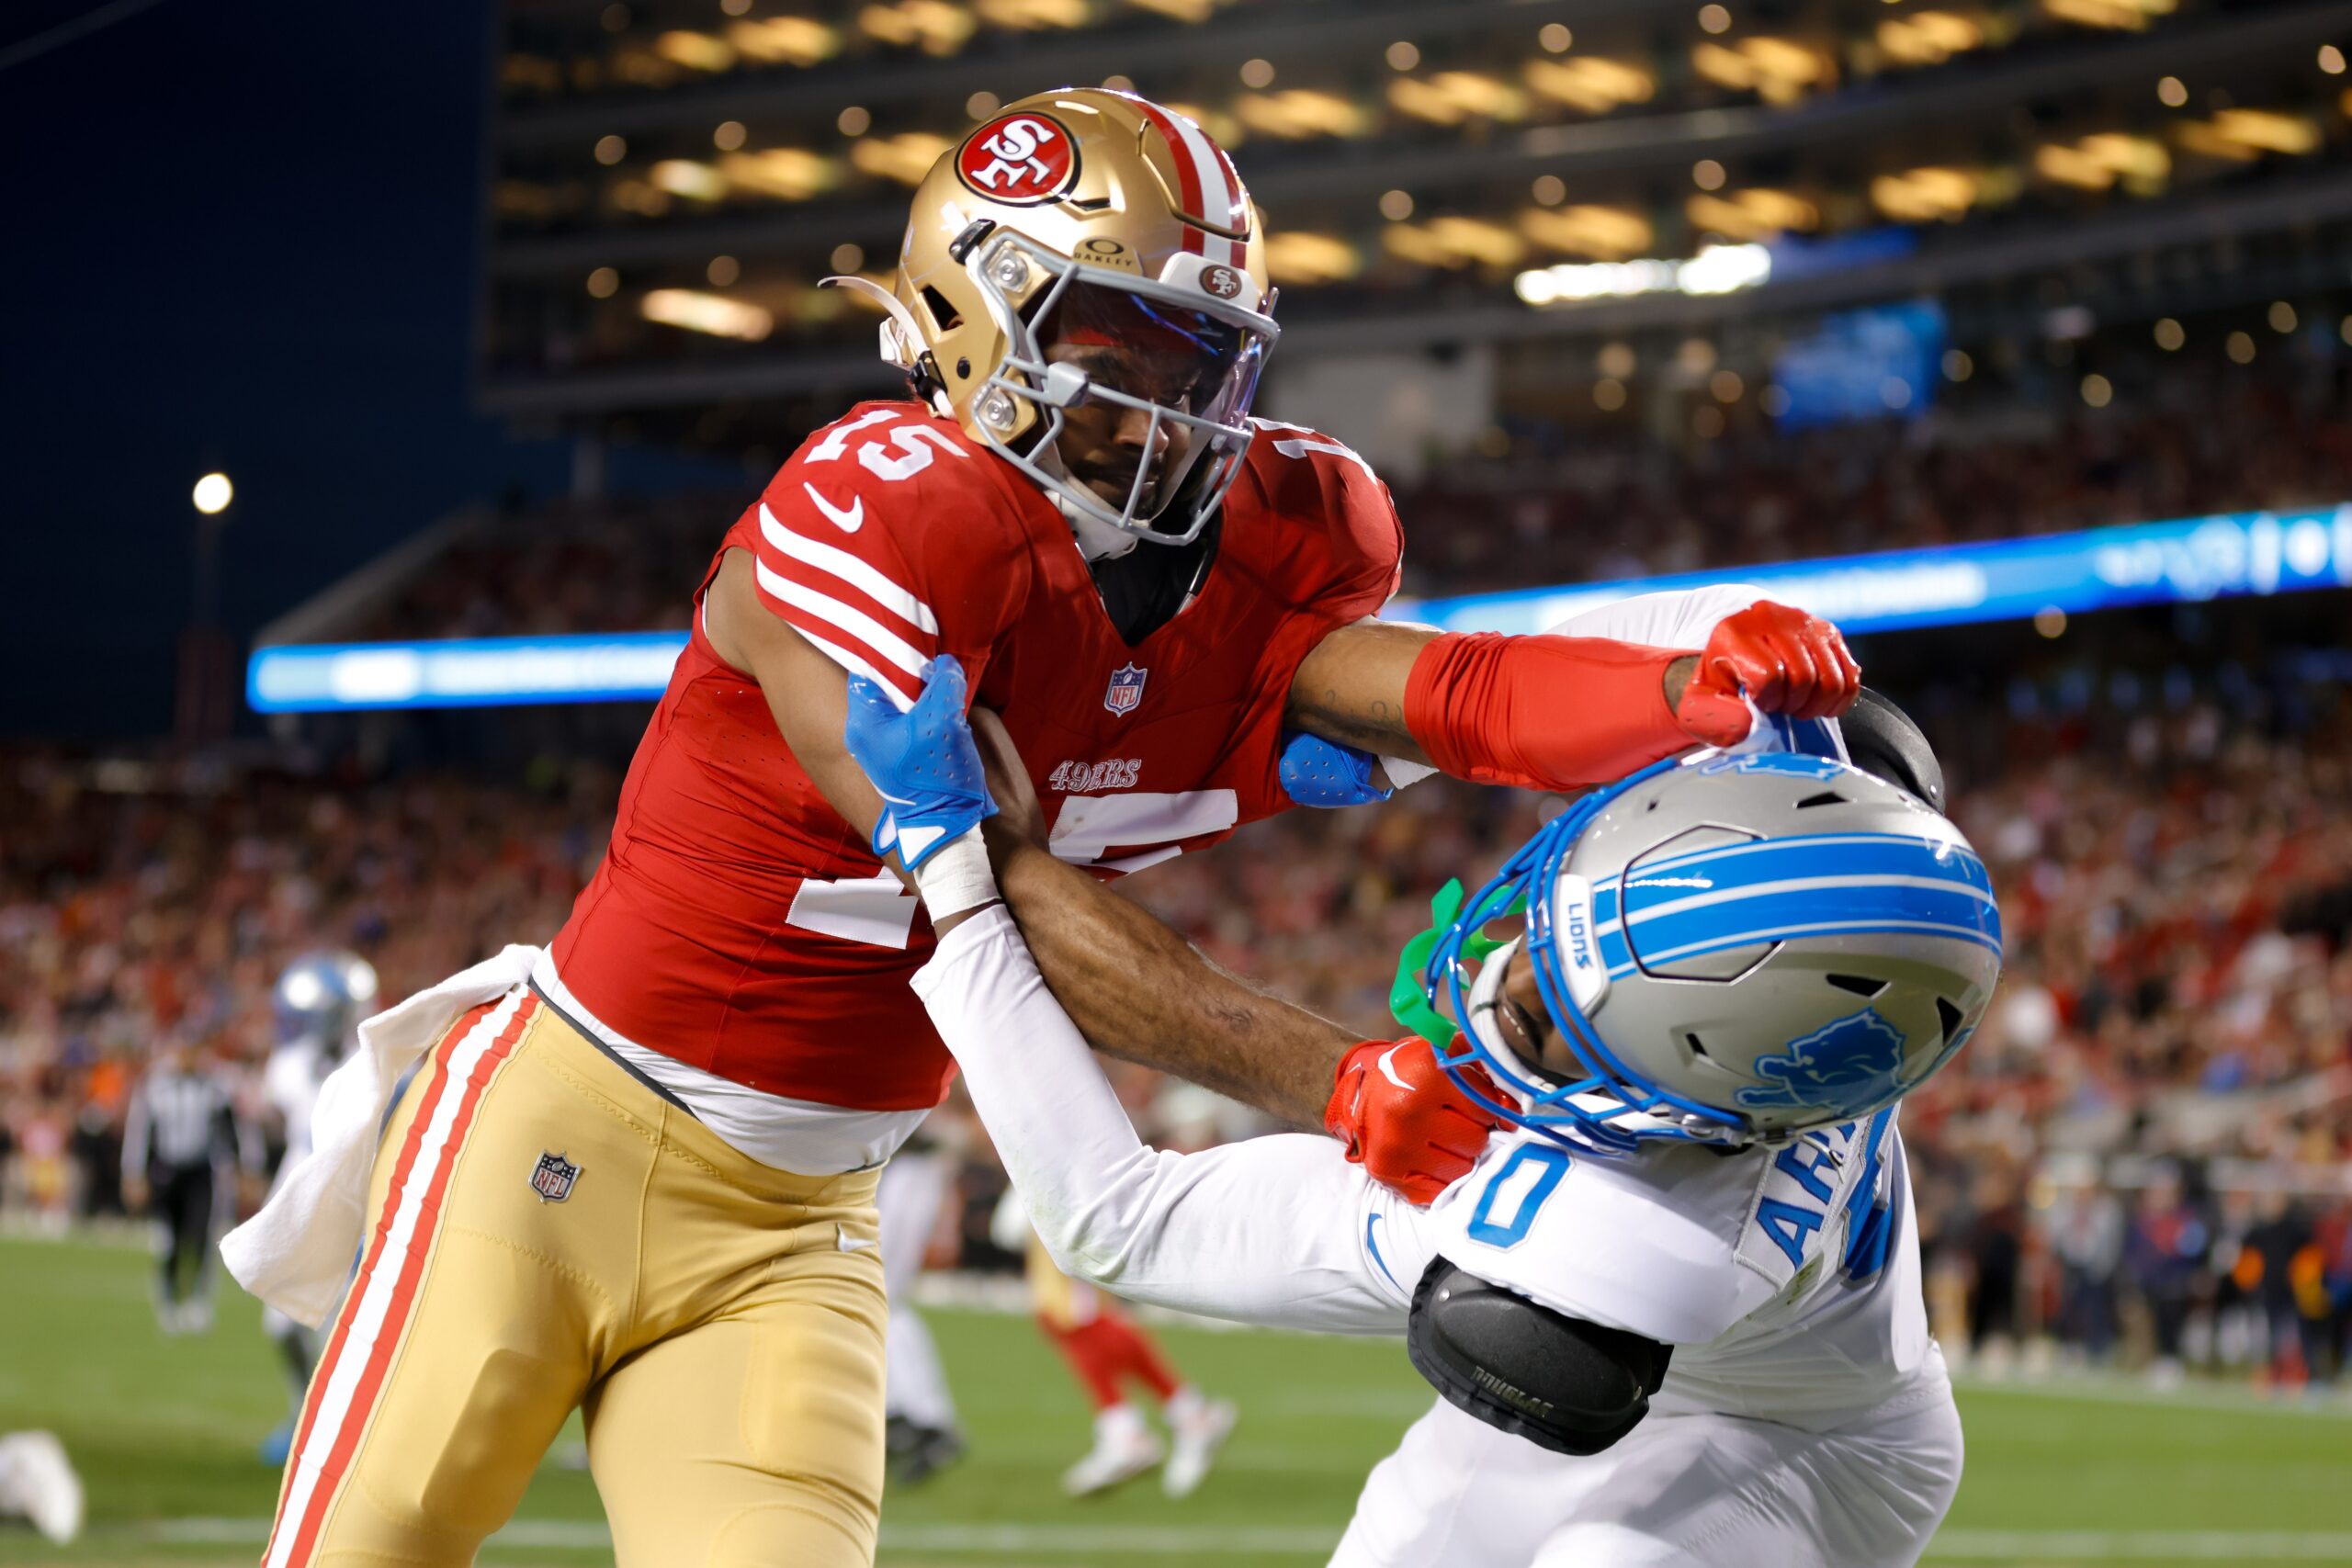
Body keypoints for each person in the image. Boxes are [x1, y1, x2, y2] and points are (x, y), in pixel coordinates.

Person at [230, 86, 1859, 1568]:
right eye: (1121, 345)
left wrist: (1686, 683)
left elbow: (1452, 690)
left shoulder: (1275, 541)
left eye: (1199, 355)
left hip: (798, 1217)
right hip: (557, 1144)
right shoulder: (890, 501)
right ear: (974, 312)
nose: (1170, 404)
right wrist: (1342, 1086)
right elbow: (990, 899)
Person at [844, 639, 1997, 1568]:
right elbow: (1781, 731)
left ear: (1689, 1102)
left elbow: (1119, 1216)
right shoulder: (1812, 969)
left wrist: (952, 876)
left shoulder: (1619, 1233)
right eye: (1551, 925)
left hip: (1820, 1451)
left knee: (1606, 1562)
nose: (1506, 972)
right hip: (1741, 1356)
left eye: (1550, 1016)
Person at [989, 1190, 1237, 1497]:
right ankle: (1181, 1415)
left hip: (1070, 1187)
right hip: (1062, 1188)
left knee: (1077, 1318)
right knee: (1070, 1317)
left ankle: (1132, 1431)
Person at [254, 953, 379, 1466]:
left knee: (344, 1331)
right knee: (280, 1325)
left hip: (354, 1199)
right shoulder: (286, 1065)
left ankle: (343, 1431)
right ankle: (304, 1413)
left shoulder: (380, 1055)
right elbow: (279, 1126)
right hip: (298, 1201)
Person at [123, 1034, 259, 1335]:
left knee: (200, 1237)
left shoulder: (214, 1088)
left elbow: (231, 1131)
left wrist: (244, 1169)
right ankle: (168, 1300)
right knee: (168, 1241)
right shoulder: (155, 1087)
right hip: (166, 1172)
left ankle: (197, 1302)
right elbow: (140, 1133)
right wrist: (134, 1173)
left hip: (201, 1171)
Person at [876, 1118, 966, 1484]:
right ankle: (901, 1415)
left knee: (882, 1296)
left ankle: (918, 1419)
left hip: (911, 1165)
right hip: (903, 1164)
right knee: (883, 1300)